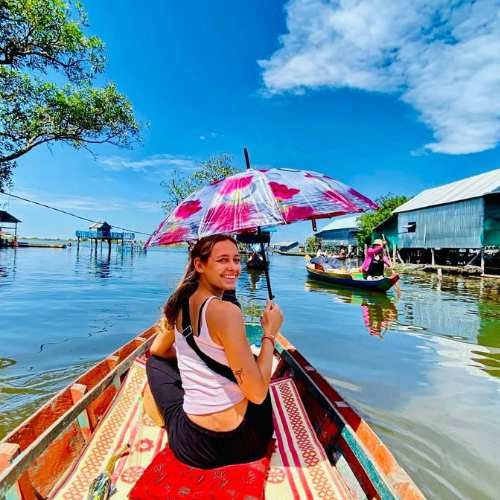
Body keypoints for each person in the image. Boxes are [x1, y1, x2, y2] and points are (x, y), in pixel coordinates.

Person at [145, 234, 284, 469]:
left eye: (236, 259)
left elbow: (158, 350)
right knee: (251, 363)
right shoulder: (227, 312)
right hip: (247, 443)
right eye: (222, 260)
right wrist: (269, 333)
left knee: (154, 364)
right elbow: (258, 395)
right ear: (199, 265)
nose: (234, 268)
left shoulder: (179, 303)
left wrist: (190, 360)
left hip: (192, 447)